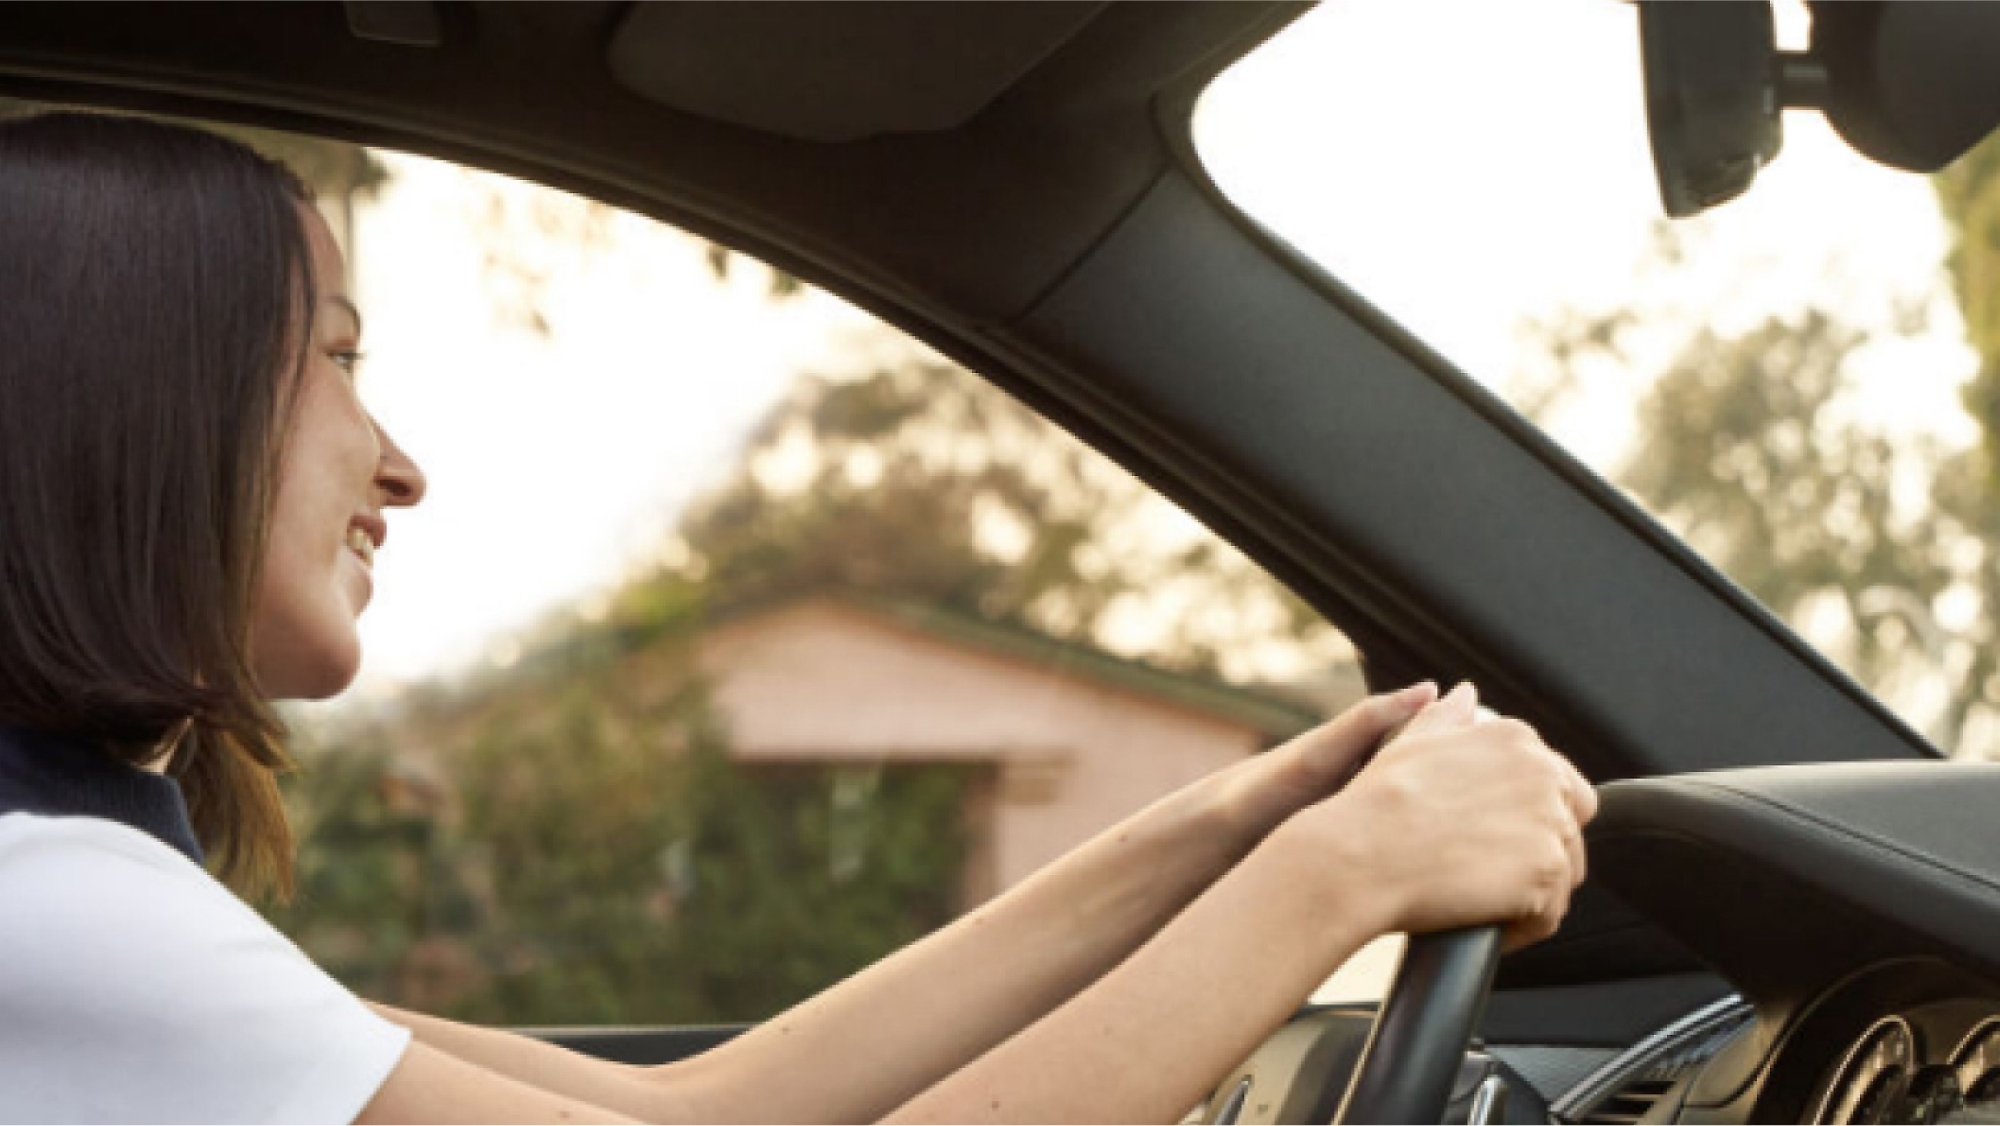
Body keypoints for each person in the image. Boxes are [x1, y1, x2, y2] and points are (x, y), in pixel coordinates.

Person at [0, 111, 1596, 1125]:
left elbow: (708, 1108)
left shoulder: (83, 895)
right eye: (339, 360)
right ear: (140, 410)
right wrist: (1344, 876)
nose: (399, 466)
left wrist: (1237, 824)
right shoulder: (52, 908)